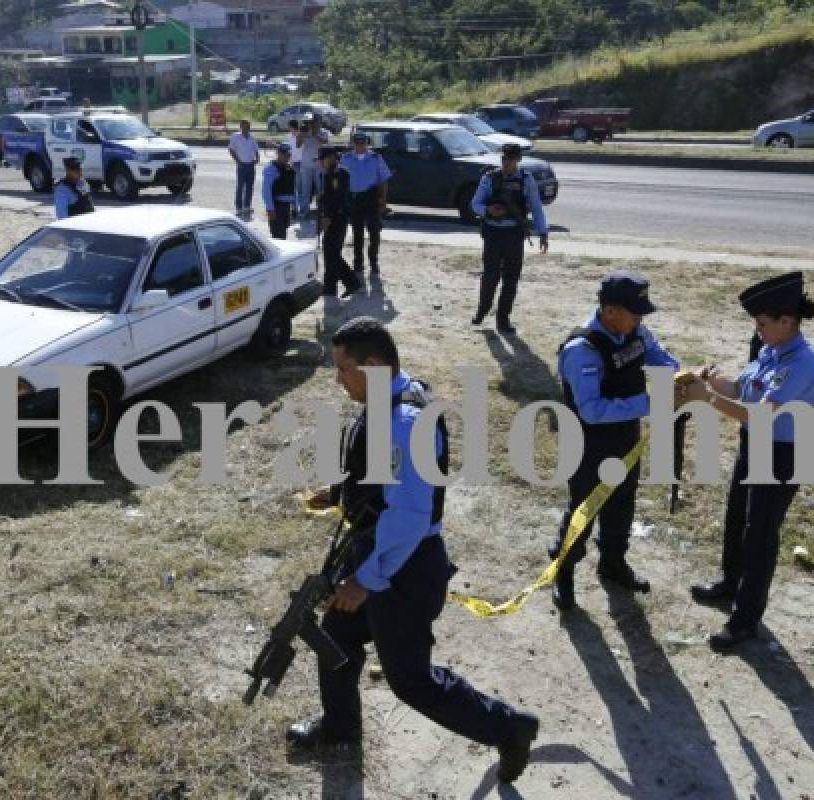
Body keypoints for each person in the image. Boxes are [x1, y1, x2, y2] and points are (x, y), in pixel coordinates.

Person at [291, 317, 540, 784]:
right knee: (338, 639)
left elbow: (408, 515)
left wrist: (365, 580)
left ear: (374, 364)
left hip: (400, 566)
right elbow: (382, 479)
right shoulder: (388, 398)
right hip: (377, 551)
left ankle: (508, 728)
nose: (337, 380)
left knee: (412, 682)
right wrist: (342, 493)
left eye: (343, 369)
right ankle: (341, 729)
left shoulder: (404, 422)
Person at [682, 271, 814, 652]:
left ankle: (745, 621)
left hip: (782, 455)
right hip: (754, 445)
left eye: (763, 323)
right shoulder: (770, 350)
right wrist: (709, 381)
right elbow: (743, 390)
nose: (757, 330)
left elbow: (761, 413)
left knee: (760, 534)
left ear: (787, 322)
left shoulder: (803, 363)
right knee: (736, 518)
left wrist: (706, 399)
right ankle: (730, 583)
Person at [551, 270, 680, 611]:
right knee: (583, 509)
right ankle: (563, 573)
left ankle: (613, 563)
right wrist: (652, 403)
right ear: (609, 311)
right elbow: (591, 410)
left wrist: (682, 379)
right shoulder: (583, 350)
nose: (640, 319)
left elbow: (662, 359)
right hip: (588, 444)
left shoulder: (633, 330)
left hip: (625, 437)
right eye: (634, 312)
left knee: (622, 502)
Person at [470, 143, 548, 334]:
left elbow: (536, 207)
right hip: (493, 234)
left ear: (518, 160)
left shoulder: (526, 180)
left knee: (511, 279)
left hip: (514, 235)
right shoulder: (490, 178)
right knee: (490, 276)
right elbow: (475, 204)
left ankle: (503, 318)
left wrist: (543, 232)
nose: (506, 163)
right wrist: (488, 210)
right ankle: (483, 309)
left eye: (511, 159)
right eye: (504, 159)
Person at [340, 132, 392, 277]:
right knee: (357, 233)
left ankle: (373, 261)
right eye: (357, 143)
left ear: (367, 143)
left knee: (374, 232)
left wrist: (383, 200)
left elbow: (383, 180)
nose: (360, 146)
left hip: (371, 197)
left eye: (363, 143)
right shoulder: (346, 159)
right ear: (353, 143)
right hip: (354, 199)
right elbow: (341, 180)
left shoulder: (376, 158)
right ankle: (358, 264)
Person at [317, 147, 361, 298]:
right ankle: (330, 287)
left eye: (323, 159)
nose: (321, 162)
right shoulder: (328, 173)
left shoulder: (340, 174)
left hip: (337, 218)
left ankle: (352, 282)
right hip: (330, 216)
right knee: (329, 253)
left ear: (331, 157)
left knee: (332, 253)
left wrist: (328, 216)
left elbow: (338, 198)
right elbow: (327, 196)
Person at [297, 112, 330, 220]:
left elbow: (325, 144)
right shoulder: (306, 131)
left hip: (319, 165)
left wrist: (315, 134)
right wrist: (301, 134)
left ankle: (321, 210)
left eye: (315, 122)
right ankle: (304, 210)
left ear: (319, 122)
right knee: (305, 189)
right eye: (312, 122)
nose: (313, 124)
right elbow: (298, 145)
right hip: (306, 165)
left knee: (321, 189)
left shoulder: (324, 132)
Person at [262, 143, 297, 239]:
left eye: (289, 155)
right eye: (285, 154)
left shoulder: (289, 169)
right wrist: (270, 209)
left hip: (286, 207)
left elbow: (293, 189)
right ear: (279, 154)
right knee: (278, 236)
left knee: (283, 235)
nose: (287, 157)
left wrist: (294, 207)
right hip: (276, 207)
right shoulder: (270, 169)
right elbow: (266, 191)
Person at [228, 119, 261, 218]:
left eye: (248, 127)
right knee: (240, 187)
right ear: (241, 127)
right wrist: (238, 161)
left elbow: (256, 150)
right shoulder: (235, 137)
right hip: (242, 165)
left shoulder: (252, 138)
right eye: (244, 127)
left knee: (250, 187)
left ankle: (247, 206)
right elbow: (231, 149)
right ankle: (239, 207)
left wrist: (257, 159)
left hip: (251, 165)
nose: (246, 129)